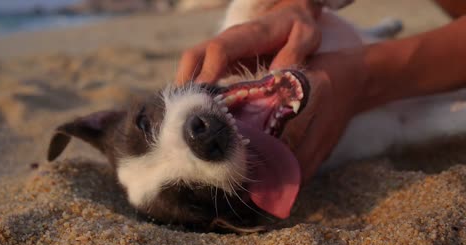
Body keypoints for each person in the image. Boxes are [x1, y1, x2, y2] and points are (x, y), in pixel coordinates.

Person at [175, 0, 466, 181]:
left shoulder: (238, 36)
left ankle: (377, 35)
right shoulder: (323, 157)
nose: (196, 138)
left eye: (144, 123)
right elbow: (405, 128)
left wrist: (299, 4)